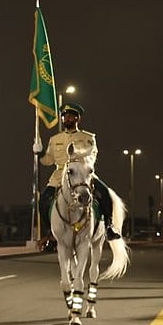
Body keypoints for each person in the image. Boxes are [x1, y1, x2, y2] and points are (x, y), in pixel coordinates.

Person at [38, 102, 121, 245]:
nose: (67, 119)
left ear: (77, 118)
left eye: (70, 116)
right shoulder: (55, 139)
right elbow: (48, 160)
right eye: (64, 116)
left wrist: (78, 159)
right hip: (59, 176)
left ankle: (109, 227)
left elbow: (91, 157)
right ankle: (49, 233)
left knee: (105, 194)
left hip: (82, 174)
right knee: (43, 200)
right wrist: (39, 153)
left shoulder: (88, 137)